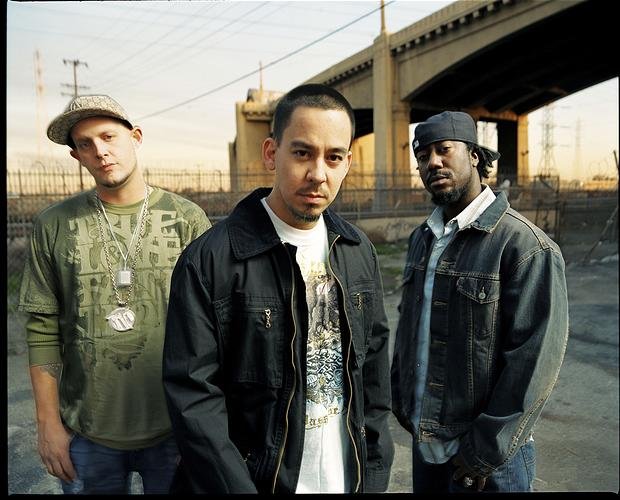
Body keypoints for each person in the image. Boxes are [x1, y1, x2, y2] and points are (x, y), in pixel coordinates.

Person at [162, 83, 394, 494]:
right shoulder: (210, 260)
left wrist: (373, 474)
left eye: (333, 157)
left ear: (346, 164)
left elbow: (373, 379)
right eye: (302, 153)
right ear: (272, 153)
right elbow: (194, 401)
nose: (318, 174)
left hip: (345, 480)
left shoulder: (357, 251)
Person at [18, 94, 211, 494]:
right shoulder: (54, 225)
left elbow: (214, 327)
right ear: (76, 156)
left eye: (108, 137)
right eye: (85, 144)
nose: (100, 151)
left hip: (175, 428)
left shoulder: (186, 219)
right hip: (87, 432)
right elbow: (42, 328)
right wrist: (48, 423)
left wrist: (209, 423)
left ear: (135, 137)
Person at [390, 111, 569, 493]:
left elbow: (533, 362)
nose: (432, 162)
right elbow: (410, 330)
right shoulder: (423, 238)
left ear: (474, 155)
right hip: (427, 445)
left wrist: (485, 450)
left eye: (444, 149)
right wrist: (403, 403)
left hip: (488, 462)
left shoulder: (524, 246)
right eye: (422, 156)